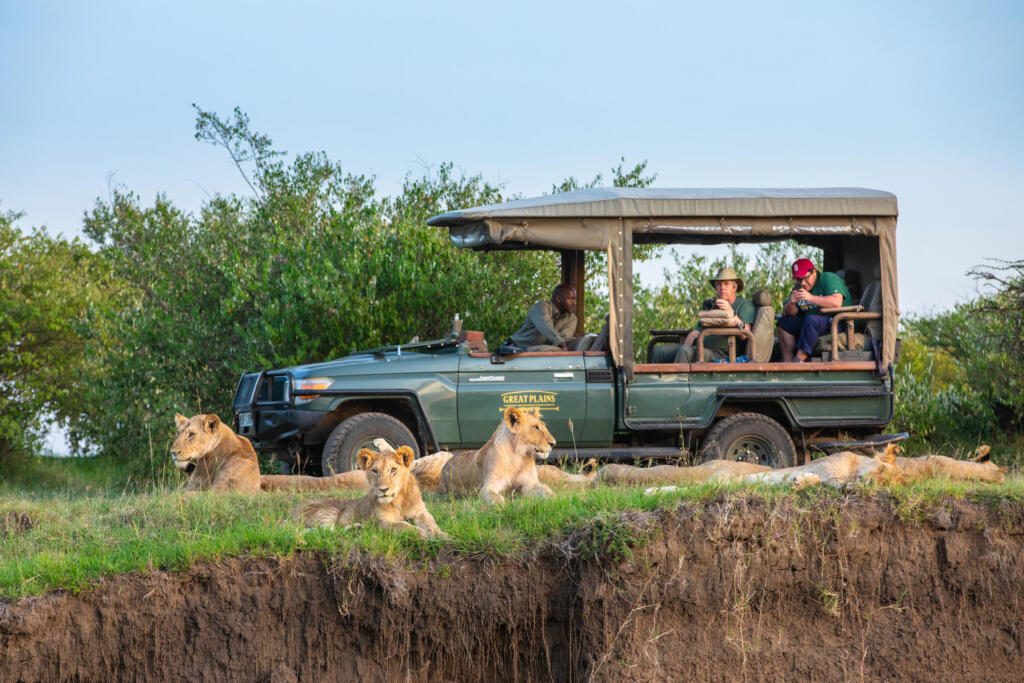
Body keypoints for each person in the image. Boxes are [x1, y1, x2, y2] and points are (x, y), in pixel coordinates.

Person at [651, 267, 755, 363]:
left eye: (726, 284)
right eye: (718, 284)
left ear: (734, 287)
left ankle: (678, 382)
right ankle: (657, 382)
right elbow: (696, 331)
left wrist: (731, 312)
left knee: (685, 352)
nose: (722, 287)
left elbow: (745, 334)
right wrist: (688, 341)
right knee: (659, 352)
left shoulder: (745, 305)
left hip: (723, 354)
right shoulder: (712, 305)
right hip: (701, 347)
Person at [777, 258, 852, 362]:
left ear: (814, 272)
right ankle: (787, 361)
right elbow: (791, 313)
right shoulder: (799, 287)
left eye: (805, 278)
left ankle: (799, 359)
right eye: (798, 279)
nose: (802, 283)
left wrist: (810, 297)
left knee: (812, 320)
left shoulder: (828, 278)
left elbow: (836, 303)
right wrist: (792, 303)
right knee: (784, 322)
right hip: (811, 324)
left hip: (837, 322)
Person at [507, 284, 578, 351]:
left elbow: (564, 339)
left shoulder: (572, 318)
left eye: (575, 299)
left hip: (541, 352)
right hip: (516, 348)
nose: (574, 303)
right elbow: (546, 327)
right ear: (558, 299)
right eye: (570, 299)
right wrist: (561, 343)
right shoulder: (540, 307)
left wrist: (563, 343)